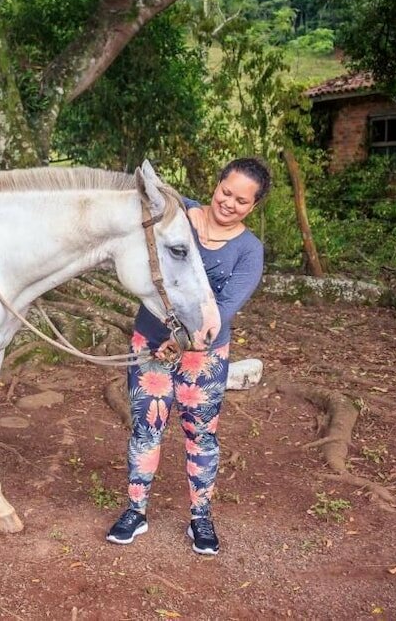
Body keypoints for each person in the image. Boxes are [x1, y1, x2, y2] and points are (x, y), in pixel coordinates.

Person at [105, 157, 271, 556]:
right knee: (146, 429)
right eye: (225, 192)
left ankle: (200, 517)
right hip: (149, 344)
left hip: (205, 357)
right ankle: (135, 510)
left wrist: (182, 343)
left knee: (201, 436)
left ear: (254, 205)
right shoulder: (177, 216)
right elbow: (143, 201)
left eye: (242, 201)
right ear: (216, 184)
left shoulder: (249, 250)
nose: (229, 203)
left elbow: (224, 307)